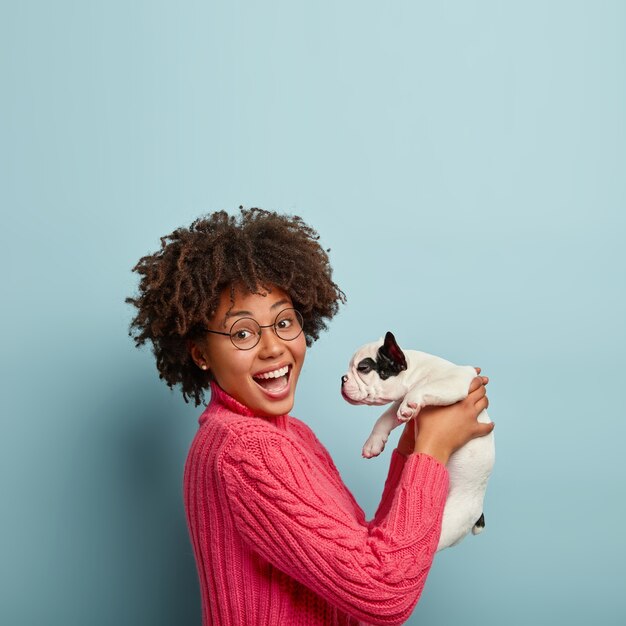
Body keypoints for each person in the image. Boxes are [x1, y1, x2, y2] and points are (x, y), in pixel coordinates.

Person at [126, 207, 494, 626]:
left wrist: (413, 446)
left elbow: (366, 554)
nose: (273, 348)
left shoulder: (284, 435)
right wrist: (433, 452)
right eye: (242, 333)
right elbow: (383, 593)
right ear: (199, 354)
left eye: (284, 322)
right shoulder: (248, 450)